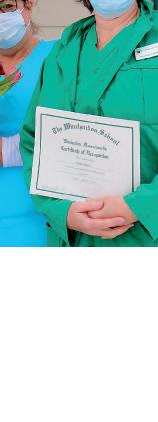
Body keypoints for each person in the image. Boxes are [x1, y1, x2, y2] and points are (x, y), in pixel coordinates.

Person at [21, 0, 158, 247]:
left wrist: (140, 207)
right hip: (84, 240)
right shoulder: (64, 50)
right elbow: (34, 141)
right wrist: (62, 212)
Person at [0, 0, 54, 246]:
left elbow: (80, 137)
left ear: (28, 5)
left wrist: (8, 150)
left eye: (6, 6)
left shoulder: (60, 58)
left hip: (41, 226)